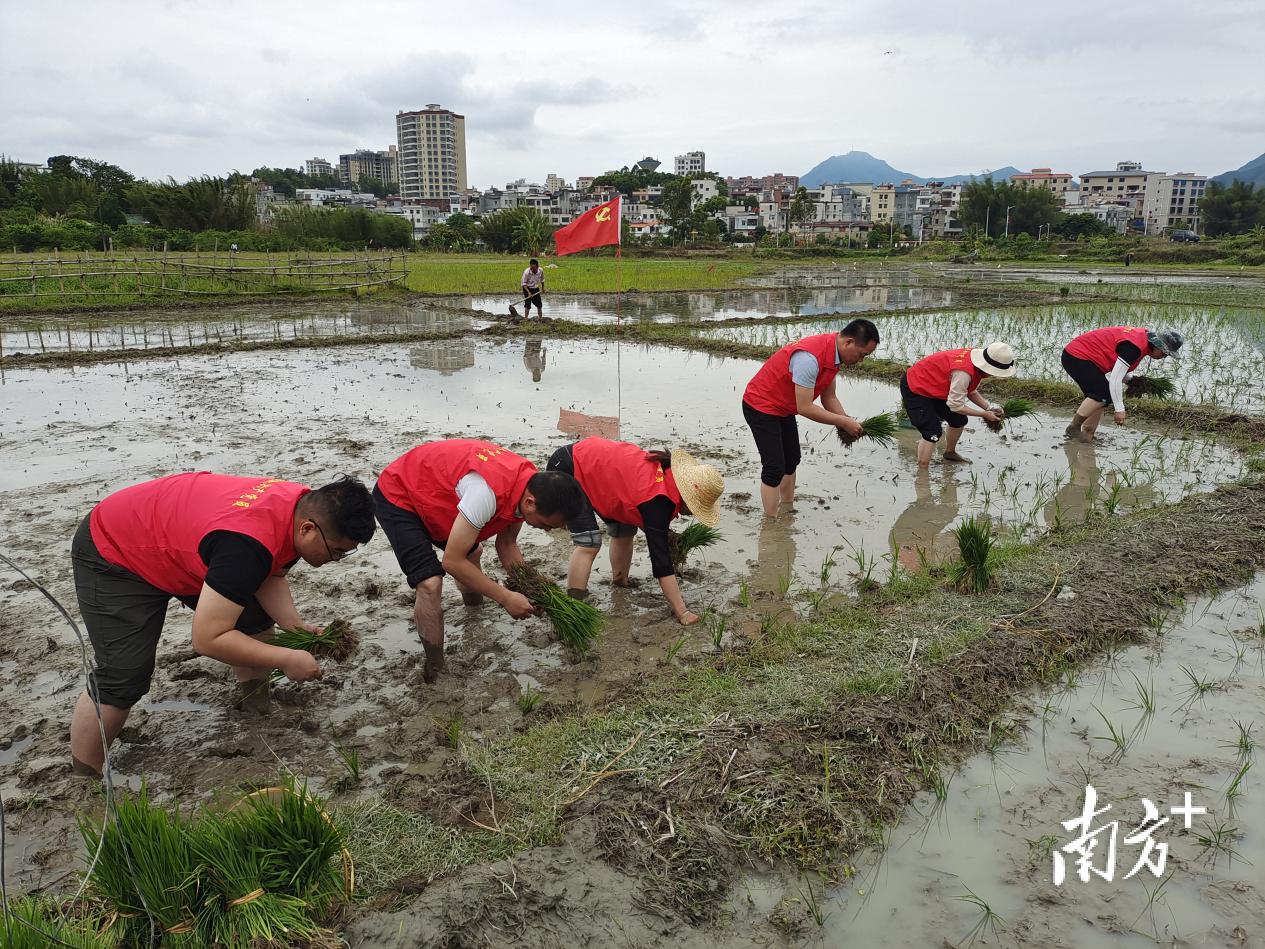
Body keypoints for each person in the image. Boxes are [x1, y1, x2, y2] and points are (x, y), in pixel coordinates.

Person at [69, 473, 375, 777]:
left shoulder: (300, 508)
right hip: (115, 550)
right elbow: (207, 639)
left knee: (251, 615)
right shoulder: (245, 544)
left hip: (178, 544)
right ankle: (85, 777)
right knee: (124, 674)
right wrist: (286, 658)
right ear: (308, 528)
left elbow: (271, 571)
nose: (337, 559)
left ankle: (255, 706)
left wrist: (294, 625)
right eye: (336, 551)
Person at [373, 440, 584, 682]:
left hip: (440, 497)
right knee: (430, 583)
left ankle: (474, 612)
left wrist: (539, 591)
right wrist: (505, 597)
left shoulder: (528, 487)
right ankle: (436, 669)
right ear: (529, 503)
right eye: (547, 525)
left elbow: (507, 545)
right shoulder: (487, 493)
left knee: (472, 554)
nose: (546, 530)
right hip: (402, 493)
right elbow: (451, 562)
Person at [546, 438, 725, 626]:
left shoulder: (666, 474)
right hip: (568, 468)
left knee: (625, 528)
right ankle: (574, 608)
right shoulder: (658, 503)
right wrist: (683, 612)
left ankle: (620, 583)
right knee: (588, 542)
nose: (693, 513)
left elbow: (637, 499)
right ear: (687, 498)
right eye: (696, 508)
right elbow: (661, 564)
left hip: (603, 476)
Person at [742, 318, 881, 517]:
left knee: (792, 460)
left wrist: (847, 420)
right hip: (760, 404)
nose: (861, 360)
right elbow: (805, 407)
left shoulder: (833, 356)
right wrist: (842, 422)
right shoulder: (809, 359)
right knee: (774, 467)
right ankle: (772, 525)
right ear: (848, 342)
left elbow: (829, 397)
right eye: (862, 355)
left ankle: (787, 509)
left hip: (784, 406)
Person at [900, 342, 1017, 467]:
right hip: (916, 387)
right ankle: (922, 472)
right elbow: (955, 406)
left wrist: (989, 408)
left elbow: (970, 391)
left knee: (958, 420)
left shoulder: (974, 362)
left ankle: (950, 453)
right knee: (932, 432)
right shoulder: (963, 373)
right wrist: (983, 414)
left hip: (935, 385)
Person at [1062, 326, 1183, 441]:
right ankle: (1073, 427)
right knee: (1103, 394)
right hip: (1077, 356)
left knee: (1098, 400)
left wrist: (1132, 381)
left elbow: (1118, 369)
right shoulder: (1133, 347)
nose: (1164, 357)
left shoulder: (1142, 342)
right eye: (1164, 353)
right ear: (1158, 345)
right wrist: (1119, 409)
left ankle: (1086, 436)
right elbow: (1115, 378)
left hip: (1085, 359)